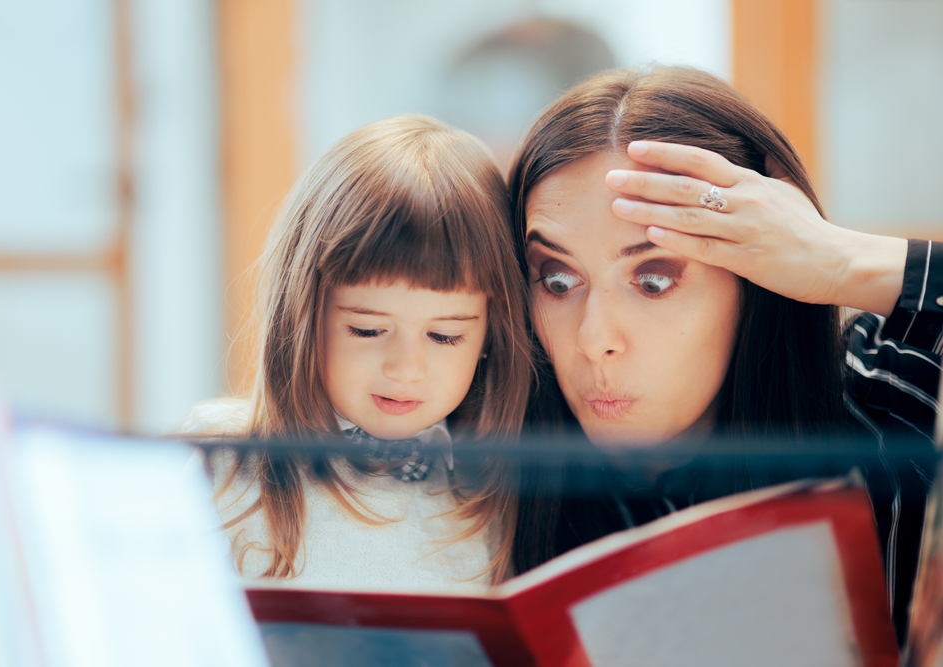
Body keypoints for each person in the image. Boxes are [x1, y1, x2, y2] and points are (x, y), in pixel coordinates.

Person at [506, 66, 940, 641]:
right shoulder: (483, 456)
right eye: (558, 281)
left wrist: (840, 260)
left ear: (754, 274)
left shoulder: (888, 403)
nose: (594, 339)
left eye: (653, 280)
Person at [181, 115, 531, 591]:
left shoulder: (484, 491)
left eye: (445, 337)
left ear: (491, 337)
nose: (405, 369)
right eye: (367, 330)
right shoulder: (224, 460)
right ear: (304, 316)